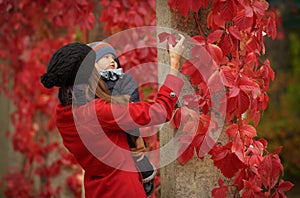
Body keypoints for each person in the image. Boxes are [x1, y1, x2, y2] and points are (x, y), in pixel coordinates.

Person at [40, 35, 185, 198]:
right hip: (124, 190)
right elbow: (160, 110)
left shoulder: (62, 115)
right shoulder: (99, 112)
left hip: (96, 190)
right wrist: (174, 64)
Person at [87, 41, 156, 196]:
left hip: (126, 128)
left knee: (137, 160)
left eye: (113, 57)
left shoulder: (124, 79)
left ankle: (145, 177)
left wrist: (135, 139)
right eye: (105, 57)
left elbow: (132, 108)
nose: (112, 60)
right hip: (106, 134)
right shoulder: (90, 87)